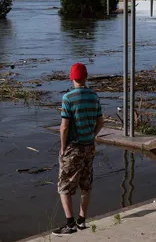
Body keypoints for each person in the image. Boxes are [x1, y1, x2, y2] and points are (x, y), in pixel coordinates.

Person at [52, 62, 104, 236]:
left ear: (71, 78)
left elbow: (64, 127)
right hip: (89, 147)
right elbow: (100, 121)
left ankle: (70, 223)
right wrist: (93, 135)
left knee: (64, 186)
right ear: (86, 77)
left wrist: (62, 147)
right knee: (86, 184)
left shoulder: (68, 98)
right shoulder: (94, 96)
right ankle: (82, 220)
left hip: (74, 147)